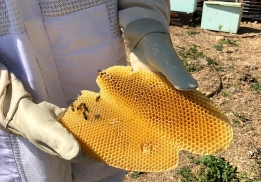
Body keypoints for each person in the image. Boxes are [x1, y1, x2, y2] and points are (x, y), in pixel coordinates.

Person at [0, 0, 198, 181]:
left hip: (107, 105)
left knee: (103, 170)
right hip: (16, 131)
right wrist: (8, 102)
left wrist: (145, 21)